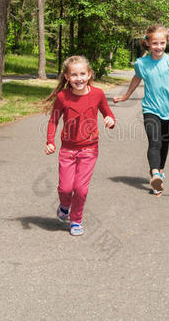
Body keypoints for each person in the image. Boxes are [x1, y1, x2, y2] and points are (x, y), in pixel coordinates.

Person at [112, 24, 169, 196]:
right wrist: (126, 96)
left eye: (162, 43)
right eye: (155, 43)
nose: (159, 47)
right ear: (148, 43)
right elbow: (137, 78)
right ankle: (155, 174)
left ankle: (160, 171)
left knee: (164, 143)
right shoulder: (142, 63)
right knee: (155, 142)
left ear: (166, 43)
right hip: (150, 108)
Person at [45, 55, 115, 236]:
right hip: (67, 149)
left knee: (81, 189)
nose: (79, 78)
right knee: (65, 188)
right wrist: (50, 141)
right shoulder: (63, 97)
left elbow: (108, 113)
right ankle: (64, 205)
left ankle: (76, 220)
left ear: (90, 74)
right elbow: (53, 120)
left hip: (89, 149)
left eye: (82, 74)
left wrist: (110, 120)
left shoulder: (98, 94)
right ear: (67, 77)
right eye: (74, 75)